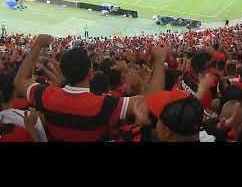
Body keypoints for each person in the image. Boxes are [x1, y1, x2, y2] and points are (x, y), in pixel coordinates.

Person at [13, 34, 167, 141]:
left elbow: (20, 80)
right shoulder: (105, 105)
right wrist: (159, 61)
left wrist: (38, 44)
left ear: (63, 72)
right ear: (91, 72)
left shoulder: (46, 96)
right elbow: (151, 101)